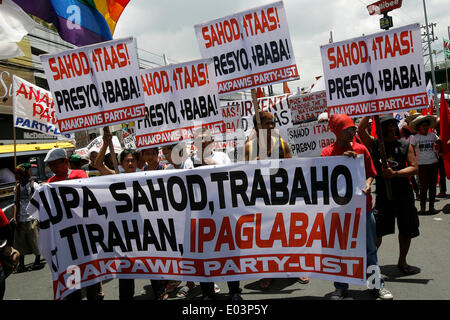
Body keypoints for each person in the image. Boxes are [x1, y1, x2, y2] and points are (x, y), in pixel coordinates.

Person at [321, 114, 393, 300]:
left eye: (353, 129)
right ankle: (340, 287)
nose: (352, 133)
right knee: (340, 250)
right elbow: (324, 179)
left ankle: (377, 286)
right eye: (347, 130)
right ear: (337, 132)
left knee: (370, 249)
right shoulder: (327, 153)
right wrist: (343, 162)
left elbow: (371, 173)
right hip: (339, 211)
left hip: (363, 208)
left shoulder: (362, 149)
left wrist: (368, 184)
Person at [244, 111, 309, 288]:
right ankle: (268, 272)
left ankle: (296, 267)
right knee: (267, 237)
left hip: (284, 197)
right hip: (263, 200)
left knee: (290, 234)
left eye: (273, 123)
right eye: (267, 123)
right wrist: (256, 162)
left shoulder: (282, 142)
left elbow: (292, 168)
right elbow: (244, 177)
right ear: (257, 127)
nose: (272, 126)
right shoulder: (250, 147)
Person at [357, 115, 419, 275]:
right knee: (376, 231)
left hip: (404, 194)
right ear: (380, 128)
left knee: (406, 230)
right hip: (384, 196)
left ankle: (402, 261)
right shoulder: (375, 144)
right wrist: (370, 107)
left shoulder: (405, 145)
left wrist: (396, 173)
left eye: (393, 125)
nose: (391, 128)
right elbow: (360, 130)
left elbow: (414, 168)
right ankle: (370, 264)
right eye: (387, 126)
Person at [44, 148, 104, 300]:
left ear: (65, 162)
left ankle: (95, 293)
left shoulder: (79, 176)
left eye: (55, 164)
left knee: (90, 273)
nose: (52, 168)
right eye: (50, 165)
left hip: (84, 235)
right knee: (72, 277)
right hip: (66, 239)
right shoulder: (49, 184)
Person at [192, 127, 243, 300]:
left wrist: (212, 165)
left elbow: (231, 177)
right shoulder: (189, 161)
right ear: (194, 143)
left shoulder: (222, 157)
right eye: (199, 139)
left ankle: (234, 290)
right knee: (204, 254)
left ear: (212, 141)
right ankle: (207, 292)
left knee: (228, 252)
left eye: (206, 138)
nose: (203, 142)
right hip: (200, 216)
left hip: (224, 212)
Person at [93, 132, 139, 300]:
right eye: (126, 160)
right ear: (120, 163)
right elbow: (98, 164)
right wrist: (106, 143)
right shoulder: (116, 178)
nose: (130, 162)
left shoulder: (145, 177)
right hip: (124, 234)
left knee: (151, 265)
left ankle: (159, 292)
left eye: (133, 160)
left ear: (137, 162)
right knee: (126, 271)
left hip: (144, 231)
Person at [13, 163, 41, 272]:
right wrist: (15, 218)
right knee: (20, 242)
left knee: (34, 240)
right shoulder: (17, 188)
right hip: (21, 217)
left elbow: (40, 201)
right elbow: (16, 203)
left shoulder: (34, 186)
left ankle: (37, 261)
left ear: (23, 174)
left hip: (32, 217)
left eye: (17, 174)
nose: (15, 176)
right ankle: (21, 264)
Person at [409, 115, 439, 214]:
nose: (425, 127)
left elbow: (440, 143)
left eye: (427, 125)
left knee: (433, 186)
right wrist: (412, 162)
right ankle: (422, 208)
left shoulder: (433, 136)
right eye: (423, 126)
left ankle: (431, 207)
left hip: (433, 163)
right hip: (421, 165)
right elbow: (410, 150)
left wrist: (440, 150)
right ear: (418, 127)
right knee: (423, 187)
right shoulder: (415, 138)